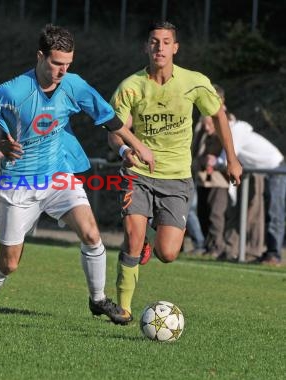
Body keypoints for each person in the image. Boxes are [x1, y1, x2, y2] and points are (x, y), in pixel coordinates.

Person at [0, 24, 154, 326]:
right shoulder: (14, 91)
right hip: (19, 184)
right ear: (40, 56)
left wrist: (138, 146)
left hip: (58, 177)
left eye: (67, 64)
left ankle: (99, 299)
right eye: (56, 63)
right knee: (9, 263)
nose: (62, 71)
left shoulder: (74, 85)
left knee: (92, 234)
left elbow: (109, 119)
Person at [108, 21, 242, 321]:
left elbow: (218, 115)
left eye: (166, 42)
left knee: (167, 253)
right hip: (139, 173)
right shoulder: (131, 86)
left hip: (177, 178)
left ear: (175, 48)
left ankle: (146, 242)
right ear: (147, 46)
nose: (159, 47)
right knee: (132, 236)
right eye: (154, 41)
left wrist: (231, 158)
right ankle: (124, 307)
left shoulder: (193, 82)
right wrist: (124, 150)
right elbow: (115, 129)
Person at [210, 101, 285, 265]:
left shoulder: (235, 132)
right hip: (263, 172)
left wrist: (213, 162)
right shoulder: (234, 130)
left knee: (275, 213)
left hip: (276, 169)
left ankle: (274, 255)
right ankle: (267, 252)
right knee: (267, 213)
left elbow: (227, 159)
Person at [192, 113, 229, 258]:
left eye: (210, 124)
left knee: (216, 215)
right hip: (203, 180)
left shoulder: (223, 136)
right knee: (203, 213)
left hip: (218, 182)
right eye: (205, 125)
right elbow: (196, 155)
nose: (207, 128)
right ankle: (207, 246)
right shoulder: (203, 136)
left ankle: (217, 247)